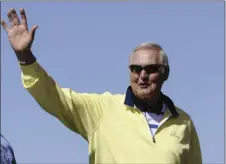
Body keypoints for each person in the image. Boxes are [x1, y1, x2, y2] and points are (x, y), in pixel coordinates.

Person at [1, 8, 202, 164]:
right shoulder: (103, 110)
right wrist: (25, 57)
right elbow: (53, 97)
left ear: (165, 72)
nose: (142, 76)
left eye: (151, 69)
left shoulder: (183, 123)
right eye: (135, 68)